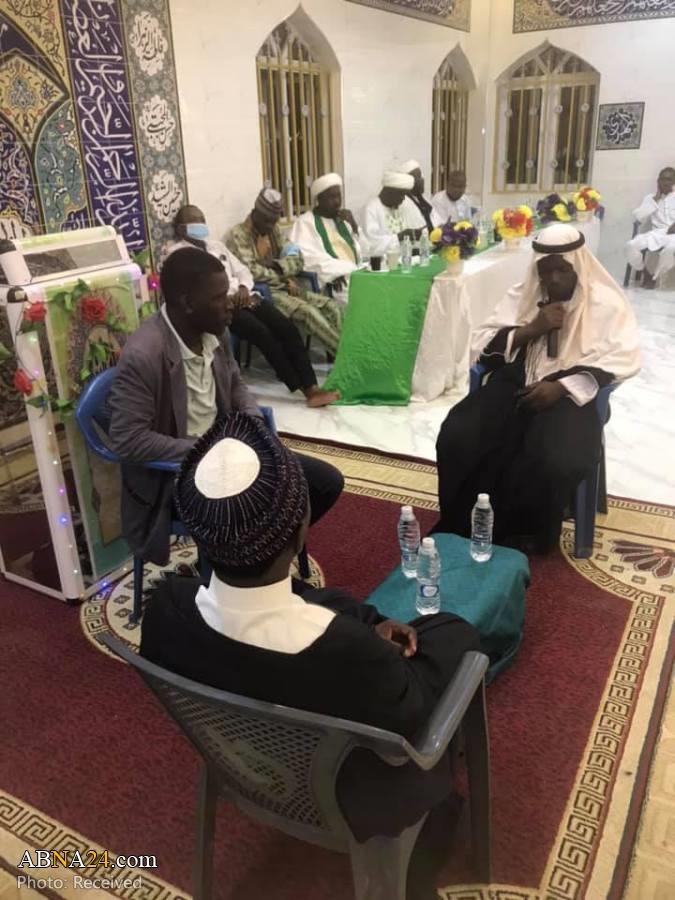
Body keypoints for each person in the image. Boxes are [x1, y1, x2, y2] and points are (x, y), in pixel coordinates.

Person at [140, 411, 480, 900]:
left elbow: (302, 604)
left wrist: (359, 620)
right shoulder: (352, 655)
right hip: (357, 801)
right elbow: (414, 709)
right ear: (301, 531)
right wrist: (428, 634)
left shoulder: (165, 608)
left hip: (238, 765)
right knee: (455, 639)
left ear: (199, 533)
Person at [108, 247, 344, 566]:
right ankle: (241, 574)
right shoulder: (144, 355)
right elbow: (128, 440)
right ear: (188, 303)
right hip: (176, 476)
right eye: (219, 297)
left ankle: (259, 561)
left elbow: (235, 385)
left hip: (226, 454)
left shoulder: (215, 332)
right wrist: (207, 450)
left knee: (324, 482)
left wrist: (252, 425)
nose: (230, 302)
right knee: (256, 506)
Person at [435, 223, 640, 554]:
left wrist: (561, 387)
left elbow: (622, 358)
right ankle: (462, 522)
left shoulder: (605, 303)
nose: (554, 279)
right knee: (459, 433)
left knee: (553, 456)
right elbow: (482, 345)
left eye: (562, 270)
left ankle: (526, 533)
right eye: (546, 271)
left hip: (573, 393)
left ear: (578, 265)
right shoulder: (525, 293)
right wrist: (533, 328)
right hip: (518, 379)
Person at [165, 205, 339, 407]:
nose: (200, 224)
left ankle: (312, 386)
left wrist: (243, 288)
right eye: (194, 221)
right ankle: (302, 389)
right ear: (181, 228)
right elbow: (194, 291)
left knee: (286, 327)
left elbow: (243, 271)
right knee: (263, 334)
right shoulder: (177, 255)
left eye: (202, 219)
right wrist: (226, 298)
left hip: (246, 297)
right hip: (222, 308)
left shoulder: (216, 246)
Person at [226, 188, 343, 354]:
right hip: (266, 293)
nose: (270, 226)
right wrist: (283, 273)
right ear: (255, 212)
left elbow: (298, 258)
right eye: (267, 221)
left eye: (273, 221)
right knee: (309, 313)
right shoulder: (238, 235)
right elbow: (252, 273)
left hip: (287, 286)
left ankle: (344, 354)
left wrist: (277, 266)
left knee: (332, 307)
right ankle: (346, 357)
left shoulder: (274, 230)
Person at [289, 173, 364, 305]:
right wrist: (336, 273)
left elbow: (365, 250)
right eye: (332, 197)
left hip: (357, 275)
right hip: (334, 283)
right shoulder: (306, 223)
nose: (337, 201)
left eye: (339, 196)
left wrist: (354, 225)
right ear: (320, 199)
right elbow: (308, 258)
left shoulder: (343, 220)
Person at [625, 166, 675, 288]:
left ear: (674, 181)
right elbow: (639, 216)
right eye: (663, 179)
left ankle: (655, 277)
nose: (665, 182)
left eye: (669, 179)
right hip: (656, 233)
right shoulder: (650, 198)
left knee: (670, 250)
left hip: (673, 235)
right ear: (658, 181)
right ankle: (646, 273)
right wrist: (655, 199)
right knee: (630, 246)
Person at [363, 171, 426, 254]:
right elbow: (372, 244)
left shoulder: (398, 206)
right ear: (390, 192)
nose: (403, 199)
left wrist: (414, 234)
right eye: (402, 194)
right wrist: (400, 237)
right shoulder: (372, 208)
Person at [401, 159, 441, 231]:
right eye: (419, 177)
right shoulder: (404, 202)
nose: (422, 180)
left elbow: (438, 221)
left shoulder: (423, 200)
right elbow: (418, 227)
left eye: (421, 177)